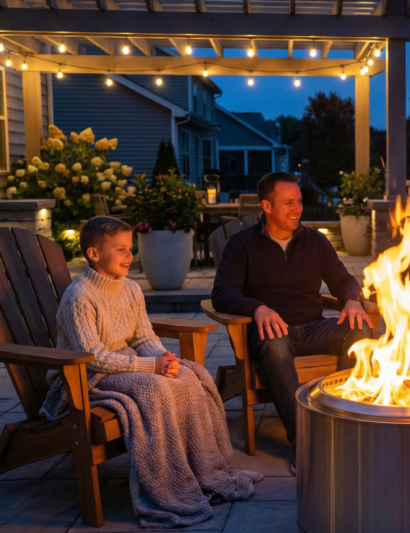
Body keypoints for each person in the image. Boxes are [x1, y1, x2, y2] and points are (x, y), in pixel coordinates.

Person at [41, 217, 262, 529]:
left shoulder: (130, 288)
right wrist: (149, 367)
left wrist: (163, 358)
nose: (130, 256)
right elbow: (93, 357)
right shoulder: (80, 297)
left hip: (125, 365)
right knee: (154, 389)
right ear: (93, 254)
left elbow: (143, 337)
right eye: (120, 249)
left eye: (130, 249)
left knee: (189, 375)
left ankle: (203, 471)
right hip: (85, 377)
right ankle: (168, 485)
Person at [212, 172, 374, 474]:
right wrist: (256, 308)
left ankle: (341, 419)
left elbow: (342, 280)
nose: (297, 209)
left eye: (299, 202)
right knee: (275, 344)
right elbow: (222, 293)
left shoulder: (315, 241)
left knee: (362, 328)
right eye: (288, 203)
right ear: (267, 206)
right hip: (269, 332)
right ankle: (304, 440)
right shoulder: (241, 244)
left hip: (312, 327)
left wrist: (352, 299)